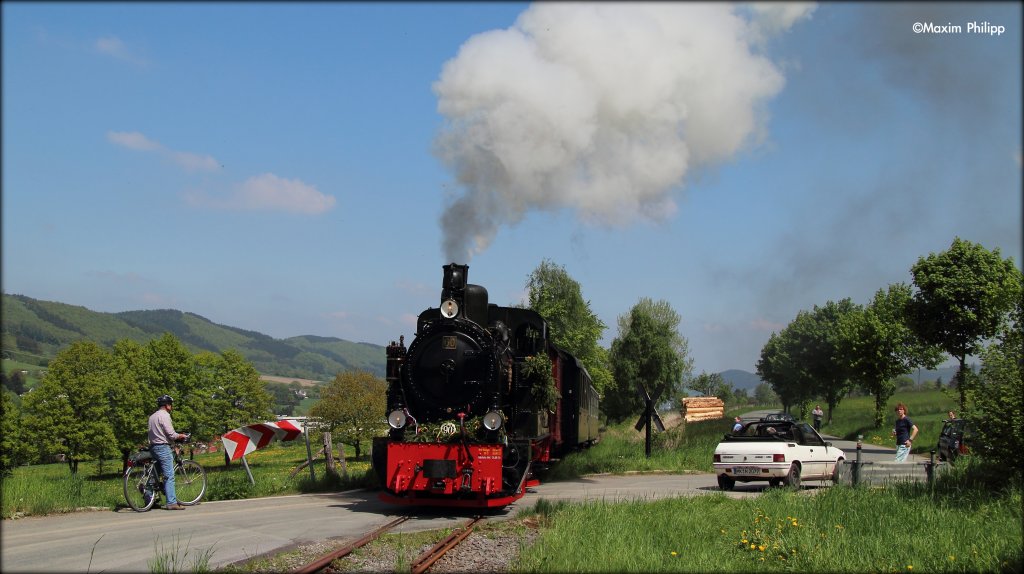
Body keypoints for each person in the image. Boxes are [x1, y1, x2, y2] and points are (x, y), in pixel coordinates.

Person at [148, 394, 189, 510]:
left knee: (153, 476)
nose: (171, 407)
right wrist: (181, 435)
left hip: (153, 448)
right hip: (163, 448)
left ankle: (149, 500)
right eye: (170, 404)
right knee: (169, 476)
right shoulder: (164, 416)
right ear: (167, 405)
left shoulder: (152, 417)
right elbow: (171, 434)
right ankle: (171, 502)